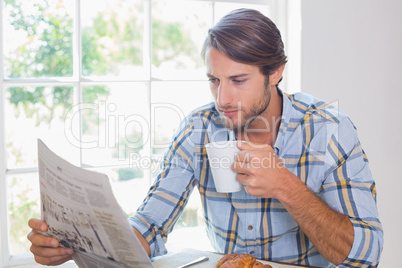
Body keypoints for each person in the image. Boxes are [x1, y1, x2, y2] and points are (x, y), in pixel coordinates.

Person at [27, 8, 383, 267]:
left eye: (238, 80)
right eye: (214, 80)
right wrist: (78, 245)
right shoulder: (198, 128)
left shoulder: (328, 128)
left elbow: (366, 254)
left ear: (275, 72)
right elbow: (149, 226)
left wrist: (286, 186)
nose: (222, 99)